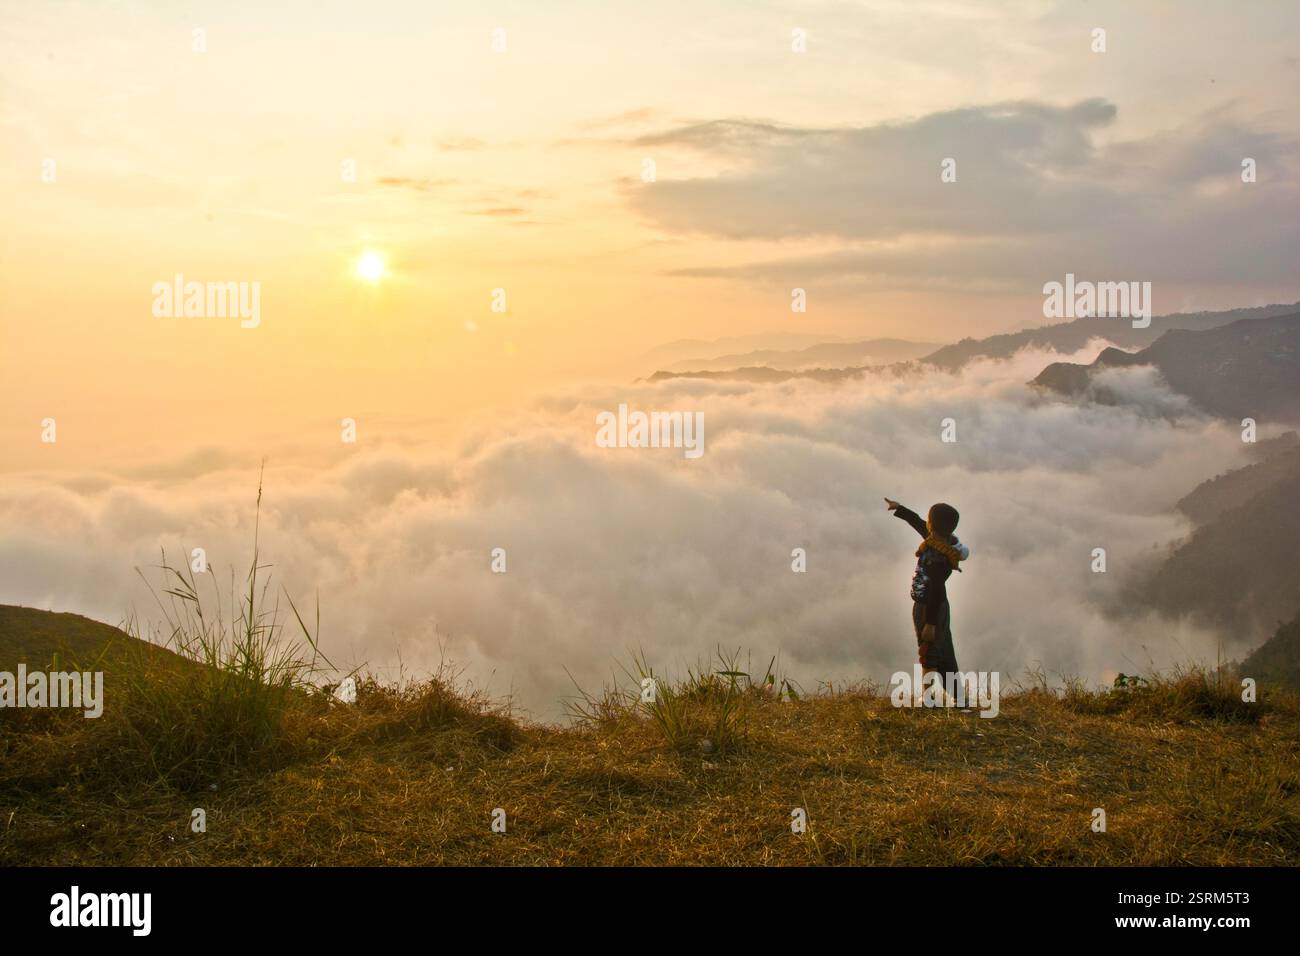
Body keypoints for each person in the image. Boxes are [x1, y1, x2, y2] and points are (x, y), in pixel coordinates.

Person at [884, 497, 969, 688]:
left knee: (928, 653)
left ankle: (928, 699)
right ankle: (959, 697)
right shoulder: (939, 543)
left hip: (929, 607)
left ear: (932, 525)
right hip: (937, 606)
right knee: (944, 653)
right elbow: (918, 523)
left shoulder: (938, 557)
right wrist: (900, 509)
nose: (926, 524)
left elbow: (936, 590)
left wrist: (930, 623)